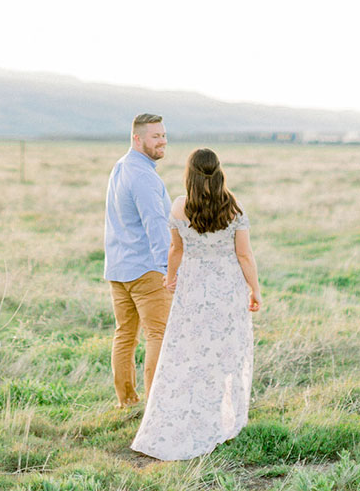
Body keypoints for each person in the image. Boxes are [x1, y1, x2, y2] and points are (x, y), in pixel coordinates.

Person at [131, 148, 261, 460]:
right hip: (227, 289)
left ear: (189, 174)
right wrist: (255, 289)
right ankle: (219, 416)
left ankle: (191, 410)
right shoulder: (233, 207)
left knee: (190, 351)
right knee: (224, 351)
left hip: (193, 289)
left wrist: (170, 277)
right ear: (219, 172)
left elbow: (175, 249)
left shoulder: (179, 206)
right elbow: (244, 254)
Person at [104, 113, 173, 408]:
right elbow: (156, 225)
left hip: (119, 269)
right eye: (155, 136)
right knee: (157, 334)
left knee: (125, 336)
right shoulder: (143, 176)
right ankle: (155, 406)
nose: (162, 141)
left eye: (163, 135)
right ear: (137, 138)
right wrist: (168, 269)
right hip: (146, 270)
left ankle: (127, 402)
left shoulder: (120, 168)